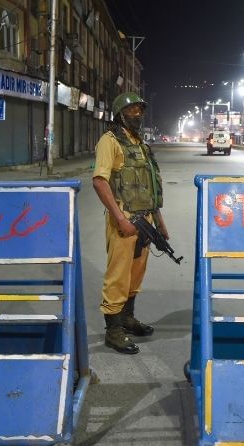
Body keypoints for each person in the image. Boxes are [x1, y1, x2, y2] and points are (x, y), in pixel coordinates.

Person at [92, 92, 169, 355]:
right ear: (120, 113)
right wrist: (120, 218)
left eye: (140, 110)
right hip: (124, 219)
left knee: (136, 274)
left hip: (145, 219)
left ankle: (127, 318)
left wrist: (160, 222)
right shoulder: (109, 141)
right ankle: (113, 331)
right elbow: (100, 181)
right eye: (133, 109)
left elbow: (150, 188)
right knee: (118, 275)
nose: (138, 114)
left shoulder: (141, 144)